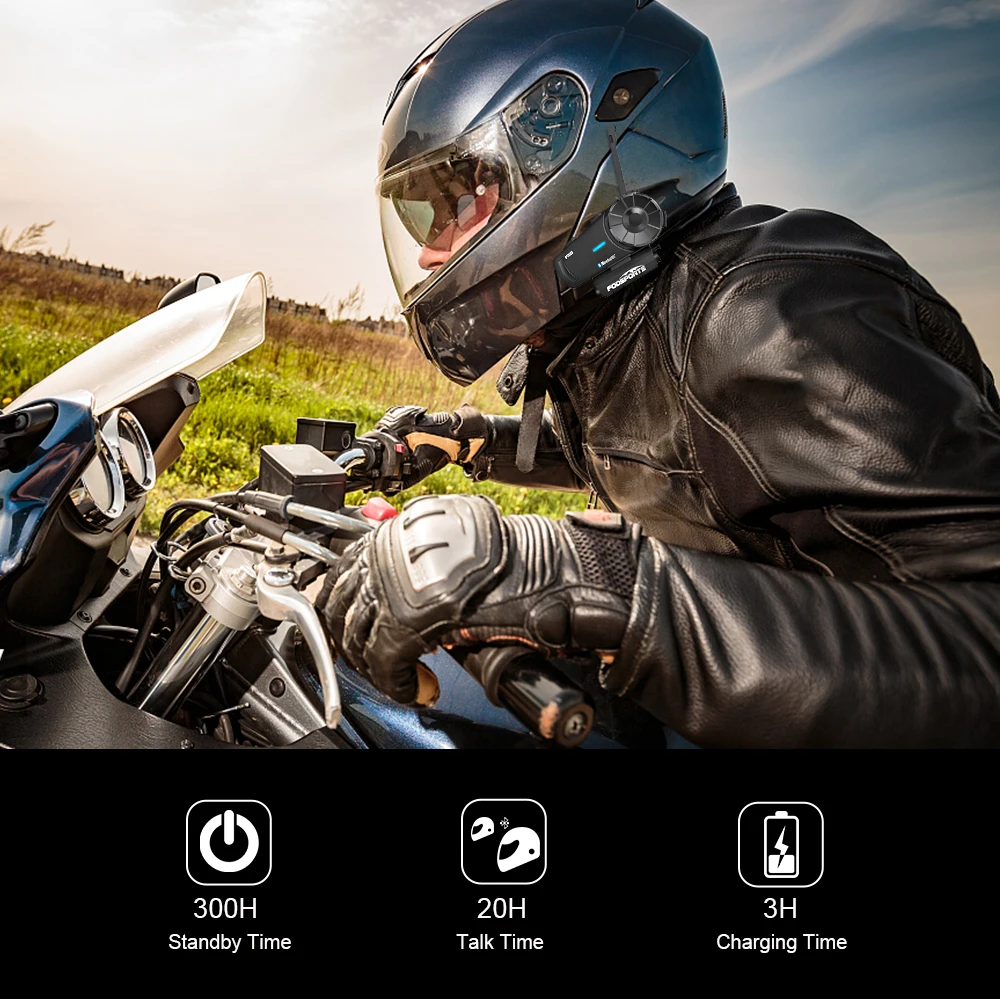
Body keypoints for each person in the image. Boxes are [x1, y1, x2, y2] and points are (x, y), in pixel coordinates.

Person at [321, 0, 1000, 747]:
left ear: (582, 154)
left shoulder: (771, 312)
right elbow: (678, 452)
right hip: (709, 696)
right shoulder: (609, 328)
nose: (429, 251)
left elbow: (983, 639)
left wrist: (592, 577)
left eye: (458, 200)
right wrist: (469, 439)